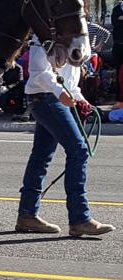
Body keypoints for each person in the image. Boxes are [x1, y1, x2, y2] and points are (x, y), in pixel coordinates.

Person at [15, 38, 115, 236]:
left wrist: (81, 100)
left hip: (52, 97)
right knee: (78, 150)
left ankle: (27, 215)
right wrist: (61, 93)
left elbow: (69, 79)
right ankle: (80, 219)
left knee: (42, 156)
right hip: (46, 98)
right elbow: (39, 71)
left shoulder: (75, 39)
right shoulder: (43, 36)